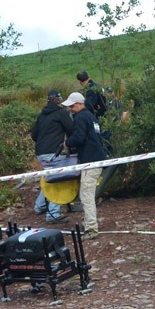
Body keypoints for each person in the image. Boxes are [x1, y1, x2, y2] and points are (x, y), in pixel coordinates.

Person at [63, 91, 109, 240]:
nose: (70, 109)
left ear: (79, 104)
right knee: (86, 193)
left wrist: (67, 143)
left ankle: (91, 228)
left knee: (86, 195)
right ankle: (88, 223)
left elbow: (78, 138)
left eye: (72, 106)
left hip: (91, 161)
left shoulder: (80, 117)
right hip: (96, 158)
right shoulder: (91, 116)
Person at [31, 89, 74, 223]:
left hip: (40, 153)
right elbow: (72, 130)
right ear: (58, 99)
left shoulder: (41, 115)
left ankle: (40, 206)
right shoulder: (61, 113)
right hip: (53, 152)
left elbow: (34, 135)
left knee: (49, 179)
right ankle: (53, 214)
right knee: (58, 182)